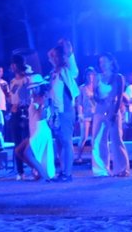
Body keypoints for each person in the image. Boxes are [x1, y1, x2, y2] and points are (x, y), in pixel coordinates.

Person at [91, 53, 130, 177]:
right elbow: (95, 94)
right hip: (100, 109)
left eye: (104, 61)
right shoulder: (97, 77)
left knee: (116, 139)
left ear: (111, 62)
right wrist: (98, 99)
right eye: (100, 62)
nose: (102, 64)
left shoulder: (118, 77)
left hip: (113, 108)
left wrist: (115, 112)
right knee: (98, 139)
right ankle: (101, 169)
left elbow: (120, 97)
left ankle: (122, 169)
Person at [14, 74, 55, 181]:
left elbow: (42, 116)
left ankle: (44, 177)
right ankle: (39, 171)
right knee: (18, 151)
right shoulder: (34, 98)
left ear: (40, 87)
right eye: (32, 88)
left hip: (41, 129)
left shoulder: (43, 98)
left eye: (35, 88)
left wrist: (41, 106)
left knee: (27, 153)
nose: (33, 90)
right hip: (34, 128)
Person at [48, 38, 79, 182]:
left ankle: (68, 173)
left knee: (66, 142)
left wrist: (66, 47)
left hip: (65, 112)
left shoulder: (67, 71)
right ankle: (62, 171)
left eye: (56, 55)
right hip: (56, 113)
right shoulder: (53, 73)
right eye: (53, 56)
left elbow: (74, 67)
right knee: (59, 143)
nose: (53, 58)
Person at [8, 53, 32, 179]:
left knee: (28, 140)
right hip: (15, 113)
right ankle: (20, 171)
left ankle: (34, 167)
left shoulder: (27, 79)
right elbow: (11, 98)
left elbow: (29, 97)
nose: (12, 66)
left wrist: (22, 105)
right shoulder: (12, 81)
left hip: (26, 112)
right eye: (11, 64)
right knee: (16, 142)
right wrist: (6, 94)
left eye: (14, 64)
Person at [75, 67, 97, 162]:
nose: (90, 77)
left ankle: (95, 158)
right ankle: (78, 156)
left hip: (96, 114)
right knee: (84, 136)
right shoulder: (82, 88)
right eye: (88, 75)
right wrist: (80, 114)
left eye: (92, 74)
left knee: (95, 137)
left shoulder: (97, 87)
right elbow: (79, 103)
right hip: (86, 115)